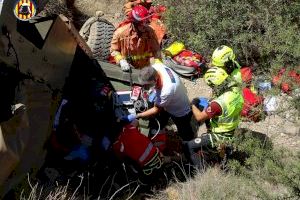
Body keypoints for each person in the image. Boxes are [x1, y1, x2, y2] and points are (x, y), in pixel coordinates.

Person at [187, 66, 244, 169]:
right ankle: (220, 156)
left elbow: (199, 117)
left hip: (221, 135)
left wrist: (193, 105)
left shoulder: (217, 104)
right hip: (232, 128)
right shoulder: (237, 92)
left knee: (190, 146)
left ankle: (200, 172)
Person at [123, 60, 194, 141]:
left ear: (155, 79)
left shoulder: (166, 90)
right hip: (173, 98)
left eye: (148, 85)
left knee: (184, 129)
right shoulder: (157, 67)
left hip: (180, 110)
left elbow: (156, 109)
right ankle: (162, 126)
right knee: (163, 117)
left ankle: (189, 143)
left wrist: (137, 115)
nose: (147, 87)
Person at [110, 5, 161, 71]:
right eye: (143, 24)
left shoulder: (149, 32)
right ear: (135, 23)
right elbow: (114, 50)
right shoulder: (120, 33)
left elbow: (156, 51)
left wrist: (159, 65)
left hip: (144, 70)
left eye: (146, 22)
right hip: (127, 69)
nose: (146, 26)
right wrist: (121, 60)